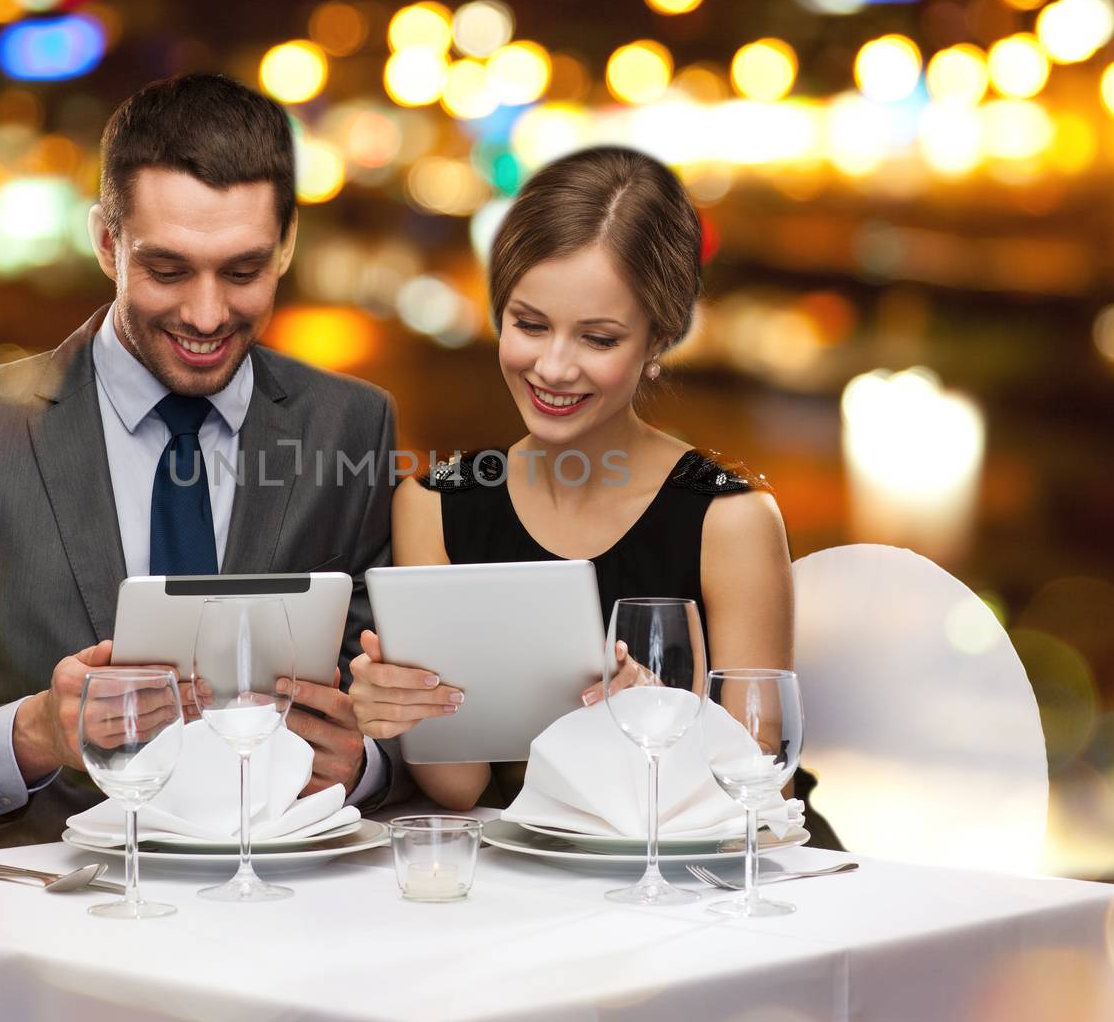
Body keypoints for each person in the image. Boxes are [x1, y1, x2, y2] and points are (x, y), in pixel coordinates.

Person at [0, 74, 401, 853]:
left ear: (288, 244)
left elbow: (402, 711)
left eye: (243, 272)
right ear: (107, 242)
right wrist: (31, 733)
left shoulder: (352, 425)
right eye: (167, 270)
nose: (207, 315)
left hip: (285, 911)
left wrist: (362, 763)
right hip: (48, 925)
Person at [346, 146, 840, 848]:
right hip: (540, 872)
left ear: (659, 337)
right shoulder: (434, 503)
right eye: (529, 324)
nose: (552, 366)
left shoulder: (729, 521)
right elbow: (458, 785)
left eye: (598, 338)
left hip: (714, 876)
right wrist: (400, 705)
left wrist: (664, 719)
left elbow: (765, 786)